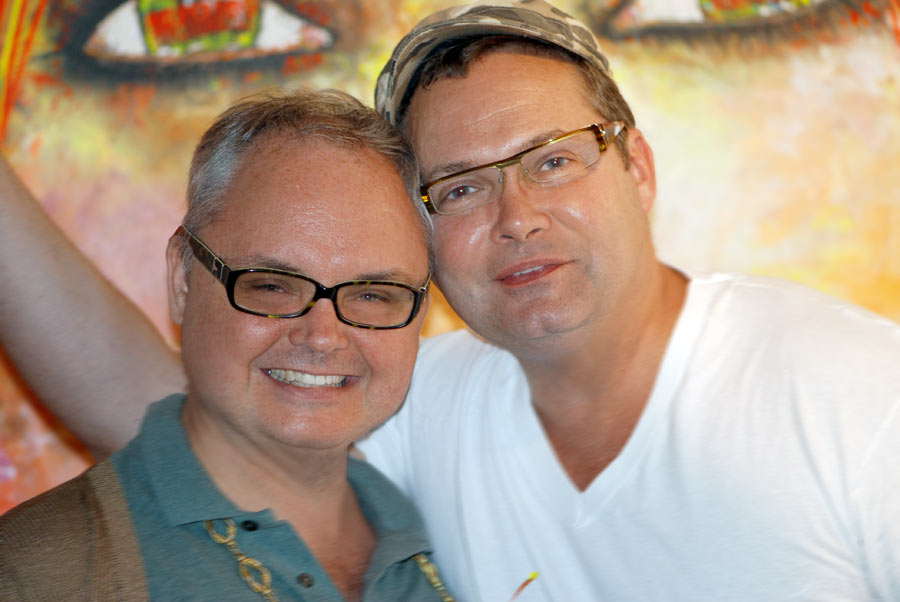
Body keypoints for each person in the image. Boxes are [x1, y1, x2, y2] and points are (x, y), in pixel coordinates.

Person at [2, 1, 900, 601]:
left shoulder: (853, 391)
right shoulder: (423, 400)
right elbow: (180, 413)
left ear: (637, 168)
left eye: (553, 160)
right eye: (462, 187)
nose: (518, 216)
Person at [0, 89, 455, 602]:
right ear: (182, 279)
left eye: (373, 294)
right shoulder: (37, 577)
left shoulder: (455, 547)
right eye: (272, 286)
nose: (323, 337)